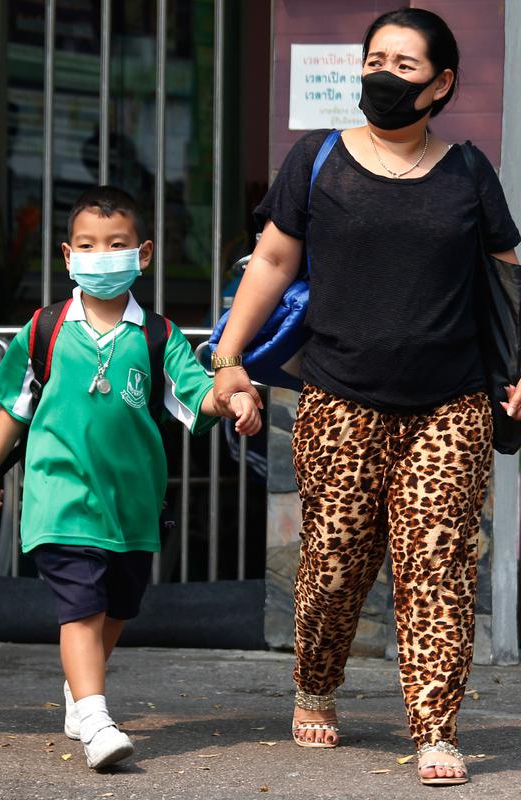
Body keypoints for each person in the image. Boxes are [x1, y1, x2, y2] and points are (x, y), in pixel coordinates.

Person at [212, 7, 520, 788]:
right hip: (339, 399)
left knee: (438, 565)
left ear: (442, 83)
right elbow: (274, 260)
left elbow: (508, 277)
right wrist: (227, 357)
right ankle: (317, 681)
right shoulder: (317, 160)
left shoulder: (468, 172)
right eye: (373, 59)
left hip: (449, 405)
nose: (383, 76)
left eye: (404, 65)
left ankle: (435, 727)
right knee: (337, 564)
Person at [0, 186, 261, 770]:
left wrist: (228, 400)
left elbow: (193, 396)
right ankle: (97, 718)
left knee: (117, 607)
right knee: (80, 604)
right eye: (88, 245)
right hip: (59, 495)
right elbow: (14, 406)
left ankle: (80, 691)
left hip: (132, 504)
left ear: (144, 253)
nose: (101, 255)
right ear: (67, 254)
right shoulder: (44, 329)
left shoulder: (158, 337)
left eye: (116, 244)